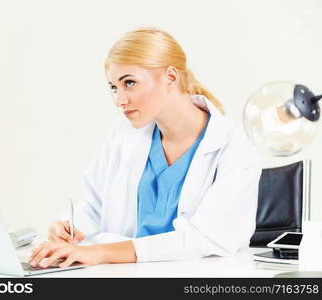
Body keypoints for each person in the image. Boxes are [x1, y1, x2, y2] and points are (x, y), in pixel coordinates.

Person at [29, 27, 261, 269]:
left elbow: (206, 238)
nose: (119, 100)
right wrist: (70, 228)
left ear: (170, 77)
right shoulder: (124, 135)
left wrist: (100, 252)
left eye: (129, 83)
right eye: (114, 87)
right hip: (127, 276)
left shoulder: (233, 145)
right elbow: (94, 206)